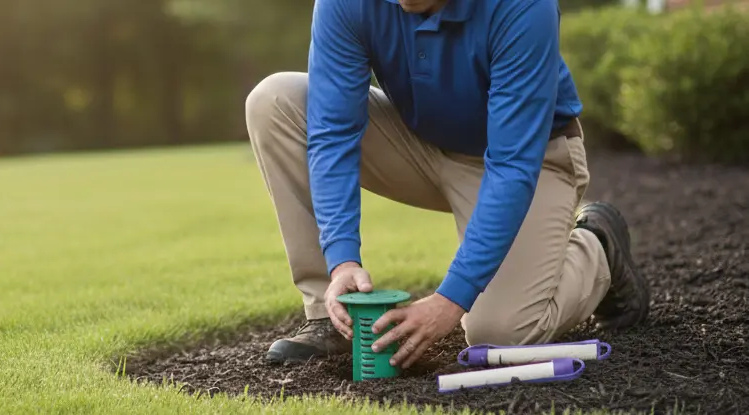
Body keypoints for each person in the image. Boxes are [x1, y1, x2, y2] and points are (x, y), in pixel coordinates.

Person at [245, 0, 650, 369]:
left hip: (532, 160)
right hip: (419, 144)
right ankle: (330, 315)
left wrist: (450, 300)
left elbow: (512, 166)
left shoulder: (525, 7)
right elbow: (333, 133)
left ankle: (596, 246)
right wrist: (342, 261)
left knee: (501, 332)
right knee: (275, 102)